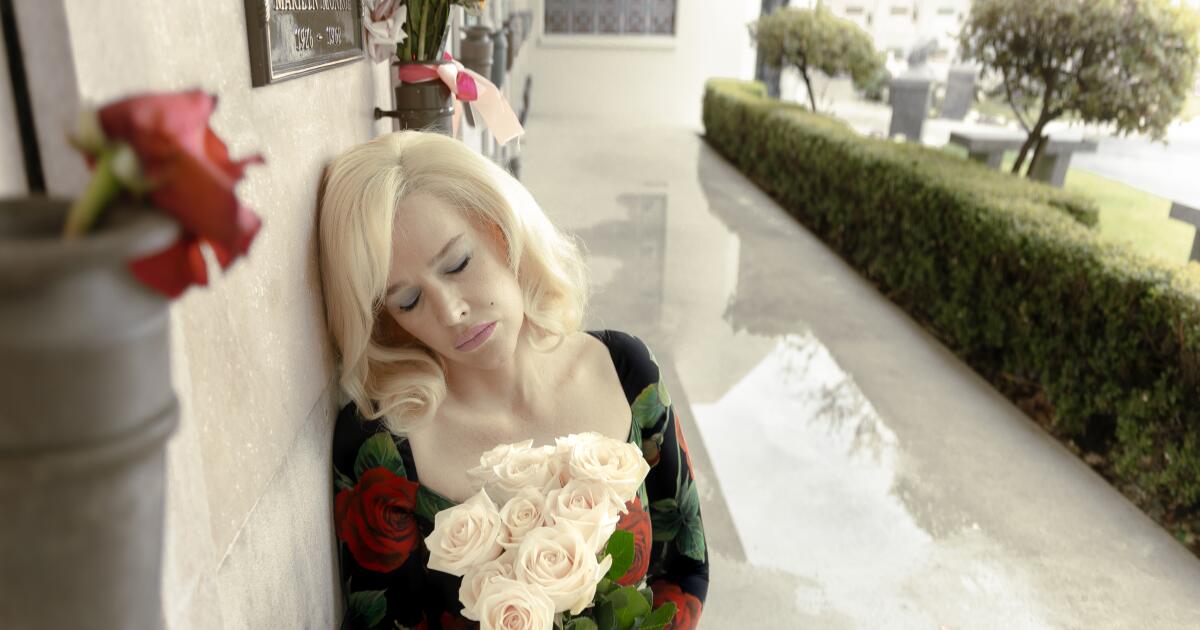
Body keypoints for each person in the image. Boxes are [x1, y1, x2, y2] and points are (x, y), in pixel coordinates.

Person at [319, 131, 708, 629]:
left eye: (457, 264)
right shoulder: (379, 448)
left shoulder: (627, 371)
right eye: (409, 301)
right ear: (389, 320)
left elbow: (686, 568)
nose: (452, 312)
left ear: (501, 229)